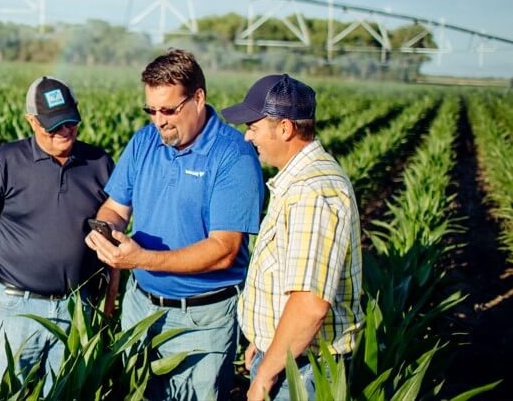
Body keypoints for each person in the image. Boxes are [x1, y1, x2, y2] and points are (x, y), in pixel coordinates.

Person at [85, 49, 264, 400]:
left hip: (201, 318)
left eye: (168, 110)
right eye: (151, 110)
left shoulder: (234, 156)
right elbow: (115, 207)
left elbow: (223, 251)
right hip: (140, 307)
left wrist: (140, 260)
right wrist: (103, 230)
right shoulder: (144, 141)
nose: (159, 120)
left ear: (198, 98)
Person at [0, 76, 114, 394]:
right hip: (16, 308)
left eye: (70, 121)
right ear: (31, 121)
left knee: (67, 394)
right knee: (2, 393)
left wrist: (109, 302)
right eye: (53, 125)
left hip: (77, 309)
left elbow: (113, 237)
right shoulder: (5, 161)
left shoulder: (99, 163)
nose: (64, 130)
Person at [221, 74, 364, 401]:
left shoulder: (312, 192)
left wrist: (265, 375)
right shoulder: (300, 182)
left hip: (300, 371)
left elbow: (309, 305)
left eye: (253, 127)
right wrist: (263, 341)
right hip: (286, 359)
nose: (247, 137)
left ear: (285, 128)